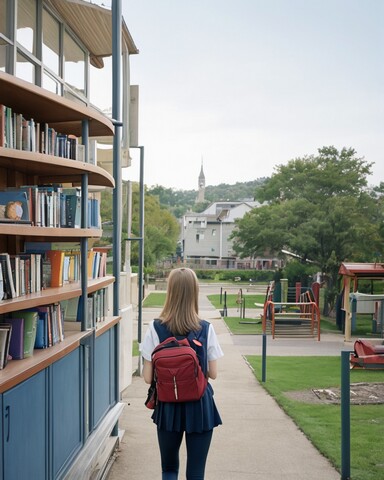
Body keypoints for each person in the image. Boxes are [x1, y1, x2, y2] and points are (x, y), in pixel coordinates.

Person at [140, 267, 224, 480]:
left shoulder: (155, 328)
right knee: (196, 473)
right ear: (194, 291)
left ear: (170, 291)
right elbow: (213, 373)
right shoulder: (206, 328)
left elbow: (148, 378)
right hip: (200, 406)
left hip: (168, 405)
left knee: (169, 469)